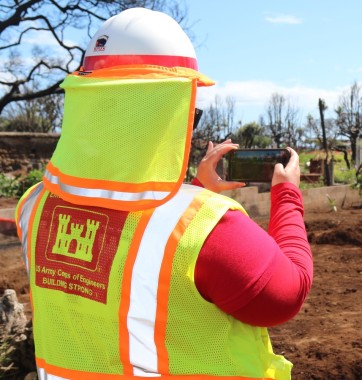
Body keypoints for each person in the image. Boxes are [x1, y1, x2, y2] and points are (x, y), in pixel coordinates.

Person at [14, 7, 312, 380]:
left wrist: (196, 190)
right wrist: (286, 195)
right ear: (172, 110)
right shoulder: (209, 227)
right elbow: (286, 295)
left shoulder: (34, 207)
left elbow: (119, 261)